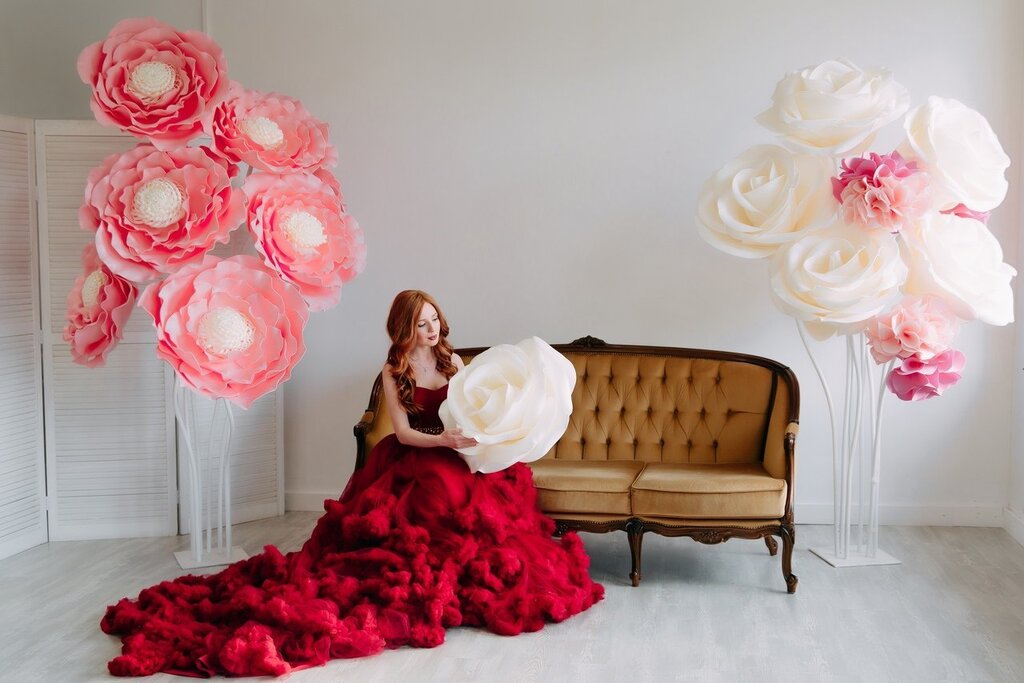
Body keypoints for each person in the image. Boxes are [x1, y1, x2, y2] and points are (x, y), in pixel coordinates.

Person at [101, 289, 604, 677]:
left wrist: (484, 436)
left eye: (435, 320)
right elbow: (404, 432)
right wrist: (445, 443)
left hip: (456, 449)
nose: (433, 328)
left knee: (485, 498)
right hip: (418, 452)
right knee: (435, 495)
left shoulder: (453, 360)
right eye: (423, 322)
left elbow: (474, 406)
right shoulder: (394, 369)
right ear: (405, 327)